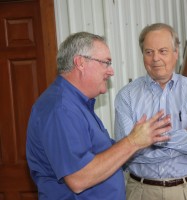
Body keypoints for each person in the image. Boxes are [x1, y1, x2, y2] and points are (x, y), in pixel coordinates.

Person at [26, 31, 172, 200]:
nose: (111, 72)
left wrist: (142, 140)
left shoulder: (77, 104)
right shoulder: (61, 108)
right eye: (106, 63)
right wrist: (132, 141)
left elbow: (103, 155)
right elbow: (78, 178)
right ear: (80, 63)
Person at [114, 23, 187, 200]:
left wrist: (147, 139)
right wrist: (185, 135)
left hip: (186, 191)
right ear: (143, 56)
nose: (155, 58)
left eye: (163, 51)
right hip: (140, 191)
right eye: (149, 52)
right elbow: (126, 152)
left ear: (176, 53)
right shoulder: (127, 96)